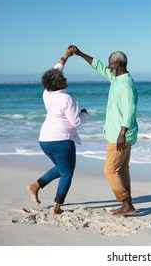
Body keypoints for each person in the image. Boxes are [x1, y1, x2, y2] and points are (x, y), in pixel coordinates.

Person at [69, 45, 138, 216]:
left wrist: (122, 132)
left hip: (120, 136)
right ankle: (127, 203)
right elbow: (98, 65)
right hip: (118, 134)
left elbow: (130, 109)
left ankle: (126, 203)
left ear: (118, 65)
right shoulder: (116, 79)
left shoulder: (126, 84)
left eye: (110, 65)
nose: (108, 67)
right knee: (121, 170)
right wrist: (80, 54)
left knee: (109, 170)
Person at [27, 47, 88, 215]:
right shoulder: (66, 99)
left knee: (63, 169)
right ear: (57, 83)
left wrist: (65, 57)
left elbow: (55, 71)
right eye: (62, 78)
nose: (65, 78)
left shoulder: (47, 93)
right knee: (67, 172)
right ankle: (57, 207)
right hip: (62, 141)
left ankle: (35, 186)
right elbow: (75, 122)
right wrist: (84, 114)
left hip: (45, 140)